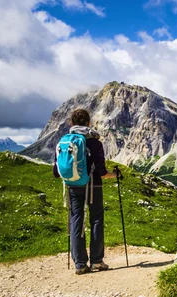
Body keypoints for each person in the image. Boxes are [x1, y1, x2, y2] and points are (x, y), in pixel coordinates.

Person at [53, 109, 117, 275]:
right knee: (96, 218)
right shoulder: (94, 142)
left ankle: (80, 263)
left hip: (72, 185)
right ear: (89, 122)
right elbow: (102, 172)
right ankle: (97, 261)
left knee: (76, 219)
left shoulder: (64, 141)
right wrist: (116, 174)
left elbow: (55, 171)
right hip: (93, 185)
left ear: (72, 124)